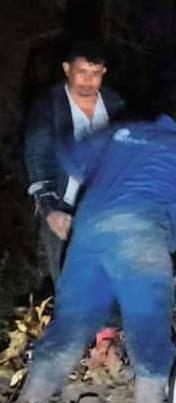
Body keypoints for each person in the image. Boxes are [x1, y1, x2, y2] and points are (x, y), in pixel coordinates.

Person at [19, 110, 176, 403]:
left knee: (72, 321)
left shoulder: (123, 131)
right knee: (148, 325)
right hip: (141, 235)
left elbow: (72, 157)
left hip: (88, 230)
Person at [24, 41, 125, 287]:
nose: (88, 81)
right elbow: (37, 157)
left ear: (104, 72)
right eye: (82, 72)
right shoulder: (48, 106)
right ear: (67, 69)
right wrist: (49, 210)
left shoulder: (116, 104)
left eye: (95, 73)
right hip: (64, 211)